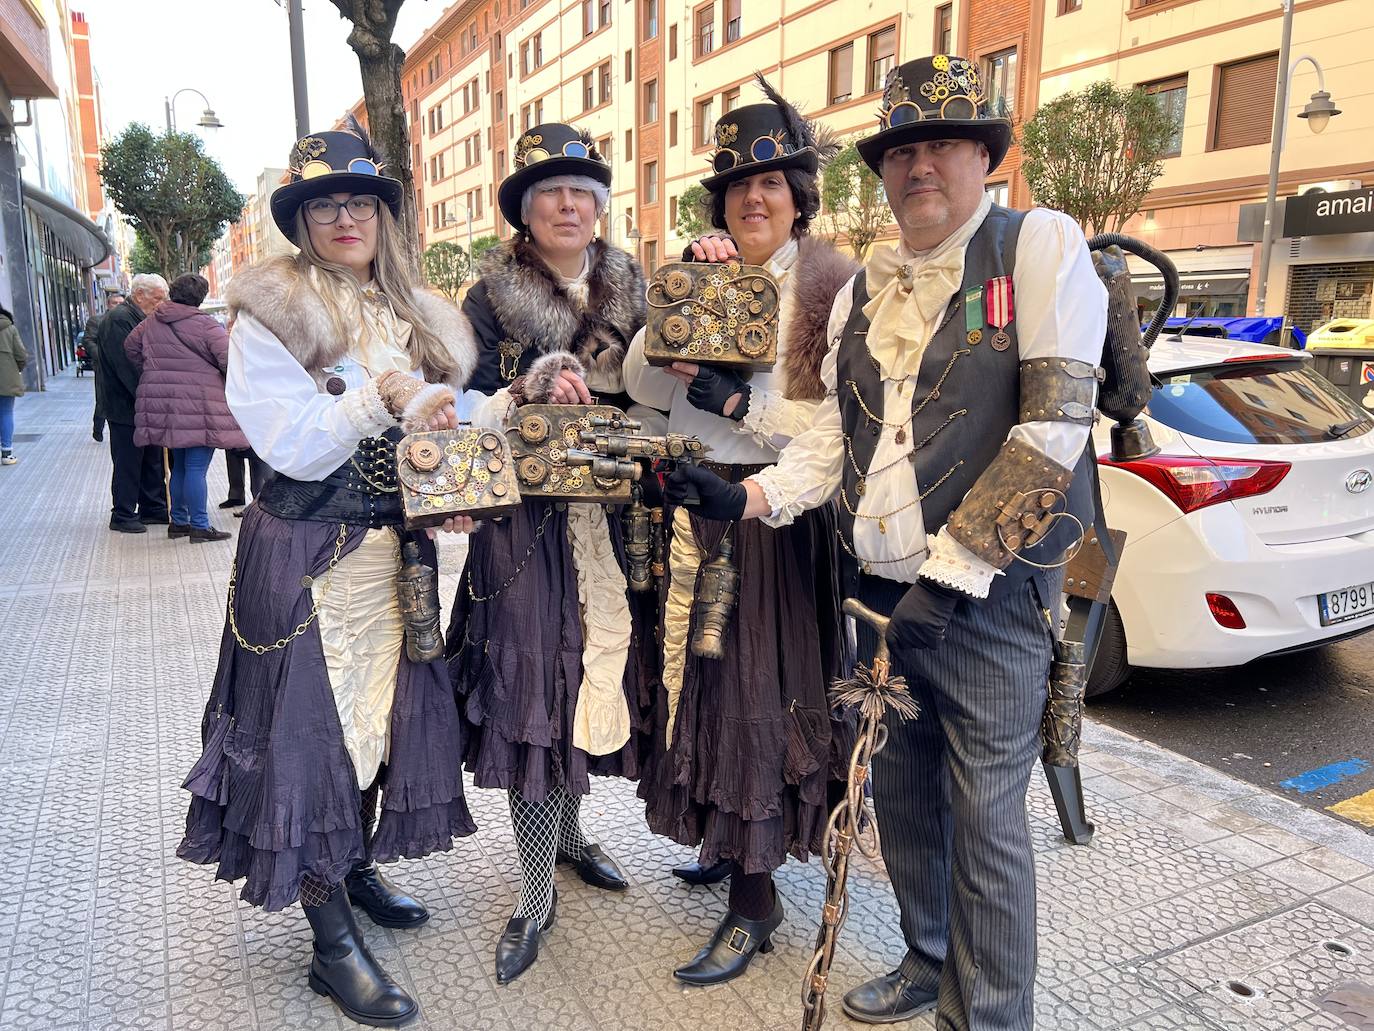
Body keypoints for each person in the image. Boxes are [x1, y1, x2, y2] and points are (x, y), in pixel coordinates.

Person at [670, 54, 1106, 1029]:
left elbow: (1051, 434)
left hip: (988, 607)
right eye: (902, 150)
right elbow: (831, 438)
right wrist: (745, 499)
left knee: (987, 824)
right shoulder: (868, 287)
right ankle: (926, 955)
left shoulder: (1039, 245)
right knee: (901, 799)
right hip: (876, 602)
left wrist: (950, 583)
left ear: (983, 157)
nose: (920, 167)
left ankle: (984, 1015)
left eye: (943, 144)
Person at [177, 123, 481, 1029]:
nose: (345, 217)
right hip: (307, 556)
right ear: (302, 222)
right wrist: (373, 397)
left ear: (387, 216)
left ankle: (350, 866)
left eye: (362, 201)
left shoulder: (414, 312)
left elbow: (451, 420)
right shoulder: (271, 319)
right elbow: (292, 447)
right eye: (325, 205)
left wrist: (495, 416)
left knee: (378, 724)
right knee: (308, 737)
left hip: (396, 555)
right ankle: (331, 944)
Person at [623, 76, 858, 986]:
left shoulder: (831, 291)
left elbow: (832, 435)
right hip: (693, 502)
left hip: (771, 519)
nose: (753, 199)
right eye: (736, 187)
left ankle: (755, 900)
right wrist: (682, 294)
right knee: (696, 683)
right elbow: (645, 385)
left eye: (773, 184)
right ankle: (726, 842)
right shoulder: (708, 271)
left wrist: (738, 405)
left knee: (752, 690)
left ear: (801, 198)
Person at [446, 121, 648, 987]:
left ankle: (569, 837)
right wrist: (525, 387)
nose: (568, 204)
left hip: (616, 521)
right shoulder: (486, 298)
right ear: (526, 215)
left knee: (590, 676)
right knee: (534, 691)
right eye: (550, 193)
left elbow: (676, 378)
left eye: (583, 192)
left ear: (599, 211)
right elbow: (455, 401)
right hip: (522, 527)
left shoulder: (637, 285)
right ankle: (534, 890)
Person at [124, 273, 245, 543]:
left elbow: (130, 347)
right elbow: (229, 360)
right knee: (196, 467)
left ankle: (178, 521)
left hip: (165, 403)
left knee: (179, 466)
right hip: (200, 403)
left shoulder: (151, 321)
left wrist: (153, 371)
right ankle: (200, 526)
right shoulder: (205, 324)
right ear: (200, 298)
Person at [97, 275, 170, 532]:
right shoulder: (119, 320)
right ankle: (123, 513)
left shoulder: (138, 317)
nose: (161, 304)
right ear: (139, 295)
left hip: (141, 404)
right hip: (125, 406)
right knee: (128, 461)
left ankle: (153, 507)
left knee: (151, 458)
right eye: (157, 298)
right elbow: (128, 366)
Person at [84, 292, 122, 443]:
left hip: (123, 365)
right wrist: (101, 357)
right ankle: (98, 428)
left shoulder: (127, 320)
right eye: (115, 303)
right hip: (103, 367)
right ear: (108, 304)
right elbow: (89, 341)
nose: (118, 306)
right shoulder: (97, 321)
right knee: (103, 397)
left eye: (121, 303)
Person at [0, 303, 27, 466]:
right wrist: (15, 369)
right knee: (5, 412)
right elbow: (21, 354)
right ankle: (7, 453)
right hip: (6, 377)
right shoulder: (9, 328)